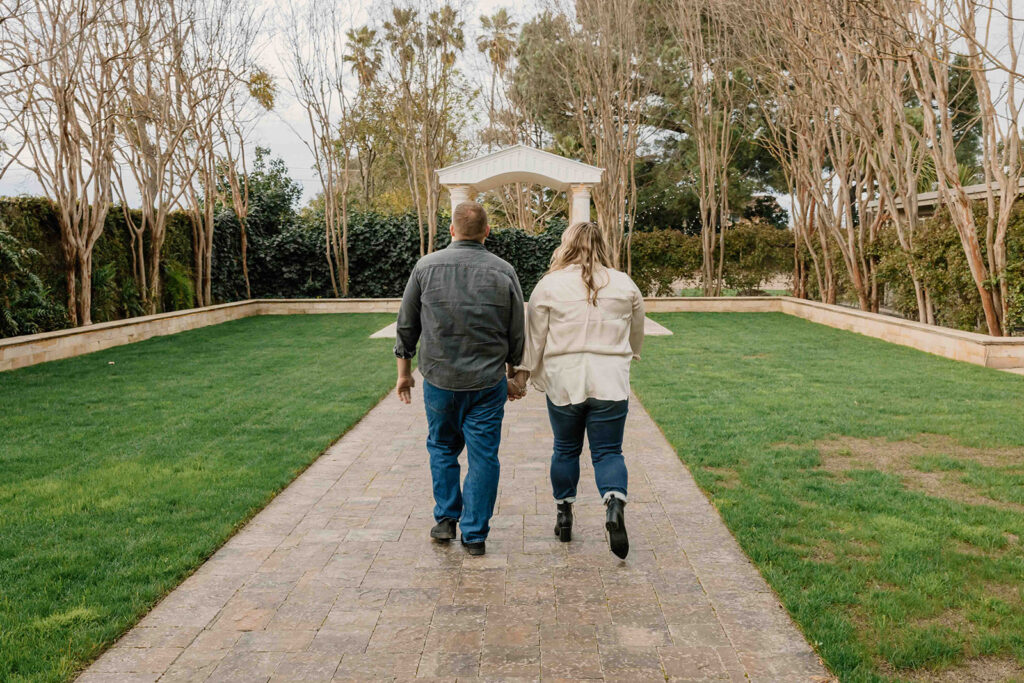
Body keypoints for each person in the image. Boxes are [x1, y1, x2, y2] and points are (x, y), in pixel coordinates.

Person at [394, 201, 527, 557]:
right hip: (486, 381)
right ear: (487, 232)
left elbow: (407, 325)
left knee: (441, 447)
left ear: (451, 230)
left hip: (439, 378)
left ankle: (445, 519)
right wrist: (515, 373)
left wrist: (405, 374)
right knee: (484, 457)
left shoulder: (425, 267)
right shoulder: (504, 270)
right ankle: (474, 534)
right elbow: (517, 329)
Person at [511, 221, 644, 559]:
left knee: (565, 449)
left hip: (564, 380)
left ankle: (564, 515)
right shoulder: (625, 283)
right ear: (602, 245)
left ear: (566, 245)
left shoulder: (549, 285)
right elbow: (636, 336)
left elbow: (535, 338)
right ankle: (614, 504)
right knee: (609, 452)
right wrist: (627, 353)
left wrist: (522, 376)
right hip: (610, 379)